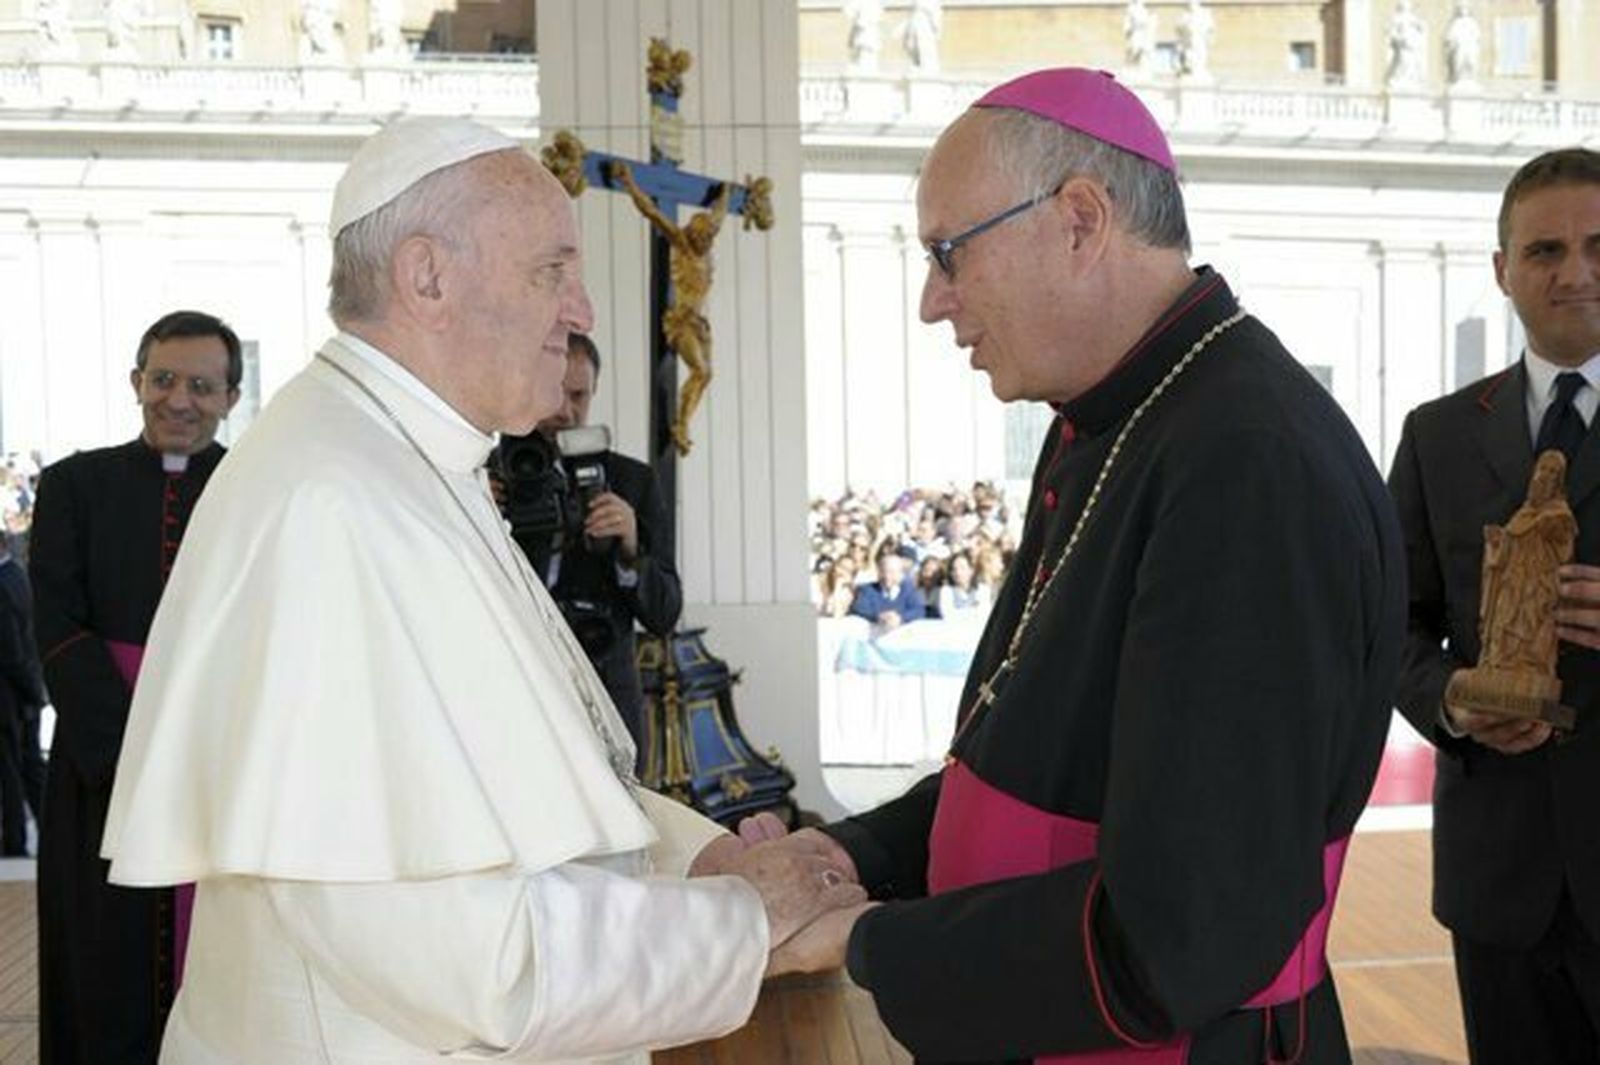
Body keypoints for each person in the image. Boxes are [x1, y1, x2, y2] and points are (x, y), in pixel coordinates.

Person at [100, 116, 861, 1063]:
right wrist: (745, 920)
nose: (582, 307)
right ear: (428, 277)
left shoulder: (415, 464)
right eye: (552, 269)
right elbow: (458, 953)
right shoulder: (331, 506)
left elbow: (532, 784)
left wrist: (699, 856)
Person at [761, 68, 1406, 1062]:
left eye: (947, 253)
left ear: (1077, 218)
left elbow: (1186, 926)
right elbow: (1035, 755)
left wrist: (869, 941)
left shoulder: (1246, 461)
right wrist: (846, 854)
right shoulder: (1110, 418)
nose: (935, 302)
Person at [1389, 147, 1600, 1065]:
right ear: (1503, 270)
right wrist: (1451, 699)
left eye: (1599, 244)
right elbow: (1389, 627)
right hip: (1498, 877)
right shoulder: (1437, 435)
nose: (1576, 271)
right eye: (1546, 249)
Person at [30, 308, 241, 1064]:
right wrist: (132, 748)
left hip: (221, 767)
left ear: (230, 397)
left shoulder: (255, 489)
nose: (179, 399)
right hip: (103, 767)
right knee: (100, 954)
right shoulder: (72, 485)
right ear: (135, 382)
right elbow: (54, 621)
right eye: (163, 379)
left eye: (201, 385)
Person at [503, 332, 683, 750]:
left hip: (605, 685)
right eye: (555, 393)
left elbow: (665, 613)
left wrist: (630, 548)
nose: (565, 411)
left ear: (594, 393)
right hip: (517, 683)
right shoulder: (487, 476)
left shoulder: (633, 483)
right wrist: (479, 513)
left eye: (579, 396)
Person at [0, 536, 46, 857]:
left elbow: (9, 650)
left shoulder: (2, 586)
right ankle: (48, 832)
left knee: (11, 770)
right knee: (30, 766)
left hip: (10, 694)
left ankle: (14, 840)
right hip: (27, 688)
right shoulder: (17, 575)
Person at [849, 545, 926, 631]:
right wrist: (879, 616)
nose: (887, 576)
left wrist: (900, 618)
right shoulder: (867, 589)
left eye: (892, 572)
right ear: (878, 573)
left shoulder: (909, 591)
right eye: (884, 571)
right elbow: (860, 608)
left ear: (901, 574)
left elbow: (918, 610)